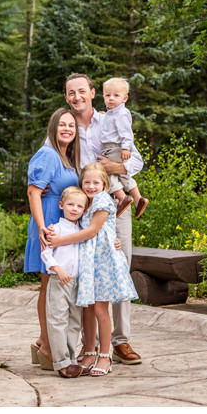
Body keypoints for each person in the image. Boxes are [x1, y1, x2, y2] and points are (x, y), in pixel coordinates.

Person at [64, 73, 143, 365]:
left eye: (82, 91)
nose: (77, 97)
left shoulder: (109, 119)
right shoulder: (67, 126)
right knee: (88, 274)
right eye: (71, 93)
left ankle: (121, 341)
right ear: (66, 97)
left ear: (93, 93)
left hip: (114, 206)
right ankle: (92, 344)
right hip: (83, 211)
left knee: (120, 268)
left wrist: (115, 165)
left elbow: (137, 160)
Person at [46, 162, 139, 377]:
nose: (90, 185)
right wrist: (55, 231)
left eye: (96, 182)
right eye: (86, 182)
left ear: (105, 185)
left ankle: (105, 356)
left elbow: (91, 231)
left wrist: (59, 240)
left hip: (103, 263)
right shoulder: (86, 202)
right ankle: (89, 351)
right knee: (87, 308)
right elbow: (77, 226)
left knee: (99, 309)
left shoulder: (103, 200)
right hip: (88, 263)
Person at [24, 108, 81, 370]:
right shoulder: (48, 154)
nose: (67, 129)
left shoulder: (66, 157)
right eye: (62, 125)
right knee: (49, 287)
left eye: (71, 125)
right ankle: (47, 346)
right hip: (47, 225)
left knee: (50, 287)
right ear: (53, 127)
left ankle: (42, 342)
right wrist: (41, 228)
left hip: (60, 227)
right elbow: (33, 192)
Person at [40, 186, 88, 378]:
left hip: (77, 282)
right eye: (70, 204)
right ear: (61, 205)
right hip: (59, 280)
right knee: (58, 320)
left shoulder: (83, 231)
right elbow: (45, 252)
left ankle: (71, 360)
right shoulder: (55, 229)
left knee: (75, 321)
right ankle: (61, 362)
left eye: (79, 206)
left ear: (85, 210)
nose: (74, 209)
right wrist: (57, 268)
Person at [100, 77, 148, 219]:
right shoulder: (112, 113)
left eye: (116, 95)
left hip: (115, 148)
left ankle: (122, 198)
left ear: (124, 98)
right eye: (107, 95)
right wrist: (104, 116)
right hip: (115, 148)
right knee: (122, 174)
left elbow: (126, 132)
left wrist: (126, 148)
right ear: (103, 97)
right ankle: (138, 198)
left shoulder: (121, 113)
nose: (111, 98)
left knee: (106, 172)